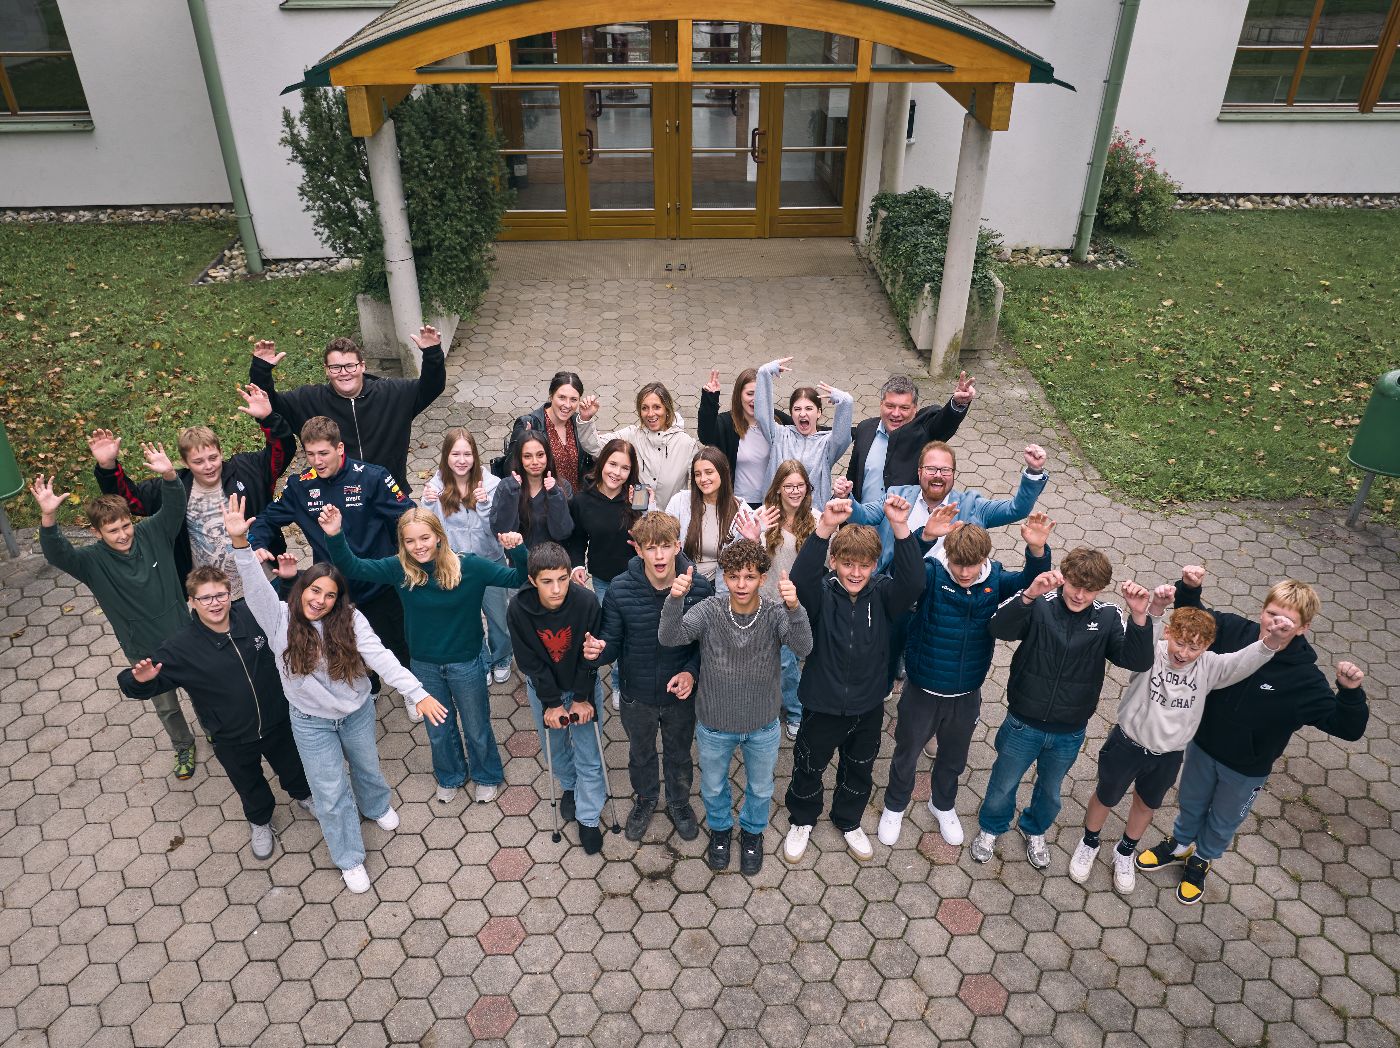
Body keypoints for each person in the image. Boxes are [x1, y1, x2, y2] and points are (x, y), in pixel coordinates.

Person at [224, 494, 445, 895]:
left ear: (338, 599)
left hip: (356, 711)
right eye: (314, 591)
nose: (319, 600)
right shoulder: (278, 618)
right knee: (329, 792)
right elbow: (255, 587)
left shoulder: (351, 619)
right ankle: (349, 857)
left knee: (367, 766)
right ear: (300, 589)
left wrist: (417, 693)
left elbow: (382, 658)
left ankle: (376, 806)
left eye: (329, 595)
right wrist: (240, 543)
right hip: (310, 722)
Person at [1135, 569, 1369, 905]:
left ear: (1303, 628)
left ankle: (1202, 858)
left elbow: (1347, 728)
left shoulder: (1304, 679)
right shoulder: (1233, 631)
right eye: (1272, 614)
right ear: (1262, 610)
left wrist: (1350, 693)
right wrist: (1189, 587)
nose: (1276, 624)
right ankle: (1181, 844)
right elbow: (1195, 620)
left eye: (1287, 621)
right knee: (1191, 801)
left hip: (1246, 768)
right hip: (1202, 745)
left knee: (1223, 819)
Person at [1070, 586, 1288, 895]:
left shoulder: (1210, 666)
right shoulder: (1152, 652)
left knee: (1146, 804)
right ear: (1169, 633)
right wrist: (1156, 609)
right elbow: (1144, 635)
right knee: (1106, 795)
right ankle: (1089, 842)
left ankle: (1125, 850)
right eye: (1180, 643)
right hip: (1127, 743)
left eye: (1194, 648)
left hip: (1168, 755)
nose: (1184, 653)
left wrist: (1272, 641)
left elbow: (1243, 661)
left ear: (1207, 647)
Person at [321, 504, 529, 808]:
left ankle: (486, 775)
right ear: (402, 544)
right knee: (438, 730)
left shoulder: (470, 566)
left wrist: (518, 550)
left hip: (466, 662)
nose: (418, 546)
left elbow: (518, 579)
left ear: (439, 536)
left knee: (476, 726)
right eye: (410, 541)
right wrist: (334, 534)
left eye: (424, 538)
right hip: (424, 665)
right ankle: (450, 775)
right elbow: (353, 567)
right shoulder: (400, 569)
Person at [877, 509, 1055, 849]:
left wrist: (1036, 550)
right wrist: (923, 537)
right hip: (922, 689)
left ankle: (942, 804)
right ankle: (895, 805)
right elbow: (903, 575)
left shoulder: (995, 579)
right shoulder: (932, 574)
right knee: (907, 752)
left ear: (984, 559)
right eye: (958, 564)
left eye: (971, 566)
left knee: (954, 758)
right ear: (948, 556)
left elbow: (1031, 585)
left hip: (967, 692)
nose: (964, 572)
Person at [972, 550, 1155, 869]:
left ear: (1101, 590)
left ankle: (1034, 829)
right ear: (1063, 578)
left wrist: (1139, 618)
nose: (1080, 595)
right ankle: (992, 827)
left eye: (1090, 589)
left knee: (1050, 790)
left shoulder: (1108, 616)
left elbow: (1137, 661)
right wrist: (1028, 595)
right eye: (1074, 586)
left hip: (1069, 730)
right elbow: (998, 629)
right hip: (1022, 722)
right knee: (1003, 783)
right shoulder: (1040, 603)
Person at [118, 566, 313, 861]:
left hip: (277, 720)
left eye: (220, 595)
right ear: (192, 601)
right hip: (230, 736)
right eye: (205, 598)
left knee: (293, 765)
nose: (215, 603)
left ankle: (304, 795)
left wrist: (288, 579)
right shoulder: (181, 647)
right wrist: (138, 681)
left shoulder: (251, 615)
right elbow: (134, 684)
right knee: (248, 782)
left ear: (230, 594)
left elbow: (284, 611)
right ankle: (260, 820)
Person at [32, 450, 200, 781]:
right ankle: (183, 745)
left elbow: (174, 508)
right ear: (97, 533)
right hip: (144, 650)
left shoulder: (153, 532)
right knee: (166, 706)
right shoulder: (90, 562)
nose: (123, 535)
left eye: (125, 526)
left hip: (185, 635)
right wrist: (48, 517)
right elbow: (57, 554)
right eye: (113, 531)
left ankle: (214, 730)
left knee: (202, 689)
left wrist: (169, 476)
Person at [781, 494, 923, 864]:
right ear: (834, 562)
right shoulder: (820, 594)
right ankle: (802, 818)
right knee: (809, 764)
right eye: (847, 564)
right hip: (821, 703)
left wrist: (900, 526)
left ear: (875, 565)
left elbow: (913, 581)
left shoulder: (885, 594)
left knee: (859, 767)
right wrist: (824, 528)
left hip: (868, 705)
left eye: (864, 565)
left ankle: (848, 819)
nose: (855, 573)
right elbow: (799, 578)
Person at [659, 539, 813, 876]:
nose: (741, 584)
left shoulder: (775, 613)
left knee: (761, 787)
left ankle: (753, 833)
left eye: (749, 576)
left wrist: (795, 608)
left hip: (762, 725)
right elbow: (670, 637)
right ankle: (720, 830)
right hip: (715, 725)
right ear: (724, 577)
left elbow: (803, 647)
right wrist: (674, 600)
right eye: (733, 576)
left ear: (762, 578)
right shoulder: (710, 610)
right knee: (714, 786)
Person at [88, 383, 296, 596]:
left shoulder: (247, 469)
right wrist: (108, 466)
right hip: (212, 595)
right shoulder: (173, 487)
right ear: (185, 462)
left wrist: (268, 418)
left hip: (265, 579)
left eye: (213, 458)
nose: (208, 466)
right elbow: (129, 501)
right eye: (198, 462)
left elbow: (283, 451)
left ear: (220, 452)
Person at [582, 512, 714, 842]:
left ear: (677, 546)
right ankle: (645, 798)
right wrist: (599, 651)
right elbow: (612, 642)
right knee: (640, 753)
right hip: (636, 693)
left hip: (680, 696)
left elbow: (708, 644)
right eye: (651, 548)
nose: (659, 555)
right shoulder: (619, 589)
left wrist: (691, 673)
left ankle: (679, 802)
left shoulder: (699, 588)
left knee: (679, 753)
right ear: (638, 550)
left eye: (665, 546)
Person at [246, 416, 414, 673]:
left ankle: (412, 687)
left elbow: (409, 514)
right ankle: (370, 687)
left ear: (340, 448)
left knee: (397, 646)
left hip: (378, 585)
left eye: (323, 453)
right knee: (348, 651)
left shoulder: (373, 477)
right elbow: (265, 519)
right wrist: (257, 542)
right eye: (310, 454)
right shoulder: (300, 486)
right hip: (333, 591)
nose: (317, 461)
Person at [248, 327, 445, 493]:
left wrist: (432, 354)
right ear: (326, 370)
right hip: (335, 499)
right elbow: (267, 404)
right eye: (336, 367)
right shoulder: (308, 400)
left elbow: (431, 387)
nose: (344, 373)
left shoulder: (392, 393)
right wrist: (261, 369)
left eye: (350, 366)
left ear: (362, 366)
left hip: (389, 494)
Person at [507, 542, 610, 855]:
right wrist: (552, 702)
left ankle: (588, 817)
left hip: (581, 685)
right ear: (532, 580)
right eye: (547, 581)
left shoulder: (587, 602)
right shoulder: (518, 608)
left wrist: (581, 697)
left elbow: (590, 657)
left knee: (589, 752)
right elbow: (529, 662)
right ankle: (570, 786)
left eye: (563, 579)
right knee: (555, 747)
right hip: (544, 689)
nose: (556, 589)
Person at [851, 439, 1049, 571]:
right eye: (931, 469)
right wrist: (846, 498)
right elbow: (863, 515)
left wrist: (1033, 471)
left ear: (954, 474)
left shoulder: (972, 505)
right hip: (895, 586)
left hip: (946, 597)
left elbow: (1016, 509)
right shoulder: (897, 495)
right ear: (919, 472)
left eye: (945, 470)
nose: (938, 475)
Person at [422, 428, 515, 685]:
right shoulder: (435, 487)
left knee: (498, 616)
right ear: (446, 456)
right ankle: (481, 659)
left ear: (475, 456)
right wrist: (429, 504)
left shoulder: (492, 484)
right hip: (456, 565)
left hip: (489, 562)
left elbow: (497, 530)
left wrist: (484, 505)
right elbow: (430, 531)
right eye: (455, 454)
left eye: (467, 454)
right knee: (468, 617)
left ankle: (502, 656)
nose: (461, 460)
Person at [745, 459, 819, 738]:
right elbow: (751, 562)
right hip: (767, 602)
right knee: (773, 660)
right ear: (778, 488)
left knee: (789, 662)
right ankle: (777, 708)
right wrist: (754, 537)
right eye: (789, 486)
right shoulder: (764, 517)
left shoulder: (817, 519)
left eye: (800, 485)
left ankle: (794, 709)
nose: (795, 491)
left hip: (797, 604)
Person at [566, 438, 642, 706]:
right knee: (611, 631)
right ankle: (611, 678)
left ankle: (622, 681)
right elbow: (576, 538)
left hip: (636, 579)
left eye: (625, 468)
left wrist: (645, 511)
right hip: (603, 580)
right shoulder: (582, 500)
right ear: (602, 464)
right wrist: (577, 565)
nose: (617, 473)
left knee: (632, 633)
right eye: (612, 464)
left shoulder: (636, 499)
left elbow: (651, 538)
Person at [847, 372, 976, 503]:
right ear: (881, 404)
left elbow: (943, 423)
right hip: (863, 514)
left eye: (904, 408)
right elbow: (853, 475)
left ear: (915, 409)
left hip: (905, 515)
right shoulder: (865, 428)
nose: (896, 413)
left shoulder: (925, 432)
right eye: (890, 406)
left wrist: (957, 404)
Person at [577, 383, 699, 510]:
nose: (650, 414)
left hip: (671, 519)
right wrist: (585, 419)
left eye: (657, 407)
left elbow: (700, 486)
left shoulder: (687, 444)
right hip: (636, 517)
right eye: (645, 408)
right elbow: (595, 447)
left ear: (667, 409)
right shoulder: (631, 435)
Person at [753, 357, 853, 506]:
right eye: (797, 409)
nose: (802, 413)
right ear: (791, 413)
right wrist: (764, 374)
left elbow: (842, 438)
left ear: (819, 413)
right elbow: (762, 416)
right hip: (777, 513)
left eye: (809, 408)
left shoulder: (826, 444)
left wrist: (845, 401)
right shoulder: (779, 435)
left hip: (812, 516)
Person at [698, 368, 792, 507]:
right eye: (750, 394)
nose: (755, 399)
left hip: (772, 503)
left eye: (760, 394)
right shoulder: (727, 422)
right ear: (739, 395)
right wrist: (710, 399)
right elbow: (706, 436)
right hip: (737, 503)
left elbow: (807, 430)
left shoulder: (776, 420)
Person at [664, 447, 754, 583]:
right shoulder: (679, 501)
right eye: (697, 474)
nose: (703, 479)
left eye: (709, 472)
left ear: (723, 472)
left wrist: (755, 539)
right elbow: (663, 536)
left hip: (720, 585)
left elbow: (748, 559)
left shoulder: (741, 511)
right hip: (682, 580)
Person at [503, 371, 594, 490]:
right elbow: (509, 469)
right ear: (551, 396)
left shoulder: (579, 422)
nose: (567, 405)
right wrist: (523, 443)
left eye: (573, 399)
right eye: (562, 397)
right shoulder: (529, 424)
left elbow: (592, 461)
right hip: (544, 498)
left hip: (575, 497)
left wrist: (586, 422)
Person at [490, 431, 575, 552]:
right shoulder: (506, 486)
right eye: (527, 456)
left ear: (548, 456)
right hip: (519, 558)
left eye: (540, 455)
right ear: (520, 459)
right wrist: (511, 493)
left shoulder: (562, 486)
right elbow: (501, 531)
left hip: (552, 560)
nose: (535, 462)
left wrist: (555, 495)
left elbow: (562, 532)